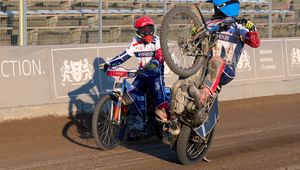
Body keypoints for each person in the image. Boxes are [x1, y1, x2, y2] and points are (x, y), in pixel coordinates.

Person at [170, 0, 261, 133]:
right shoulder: (210, 25)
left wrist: (252, 29)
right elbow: (194, 38)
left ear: (225, 9)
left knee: (217, 60)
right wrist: (193, 35)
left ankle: (204, 93)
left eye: (216, 8)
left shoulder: (239, 27)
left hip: (226, 69)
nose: (214, 10)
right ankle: (172, 116)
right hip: (203, 67)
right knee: (182, 81)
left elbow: (255, 43)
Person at [99, 16, 169, 123]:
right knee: (131, 96)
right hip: (141, 75)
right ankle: (134, 123)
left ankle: (172, 125)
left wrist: (155, 63)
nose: (147, 34)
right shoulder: (134, 42)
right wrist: (109, 64)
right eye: (143, 31)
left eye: (149, 30)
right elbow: (124, 56)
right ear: (137, 32)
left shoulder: (157, 40)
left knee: (161, 104)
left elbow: (160, 55)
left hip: (155, 76)